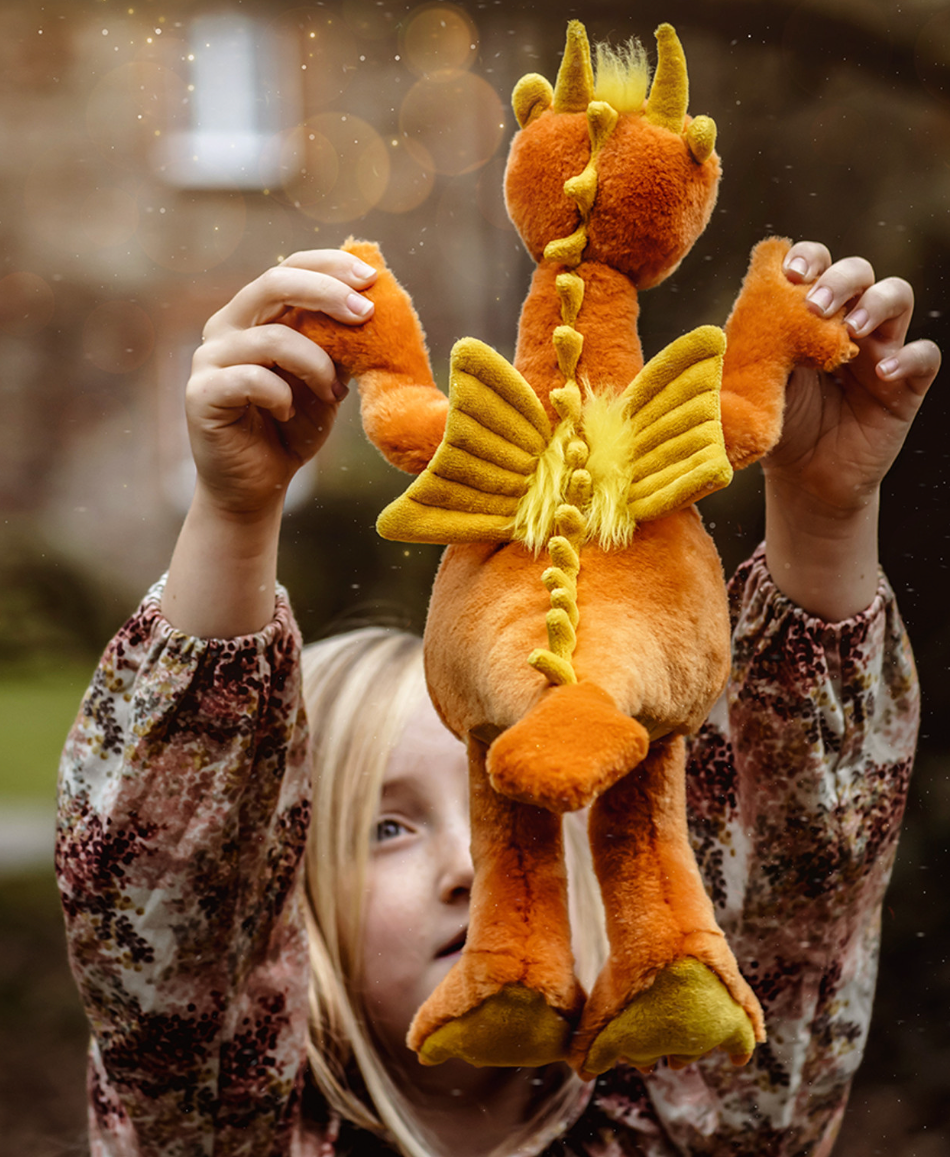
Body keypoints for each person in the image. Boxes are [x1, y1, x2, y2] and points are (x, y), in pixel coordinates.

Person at [56, 240, 939, 1157]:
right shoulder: (225, 1125)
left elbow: (799, 897)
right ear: (283, 902)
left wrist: (825, 512)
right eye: (385, 828)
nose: (467, 867)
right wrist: (235, 515)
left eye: (514, 799)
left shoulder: (690, 1125)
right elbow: (166, 900)